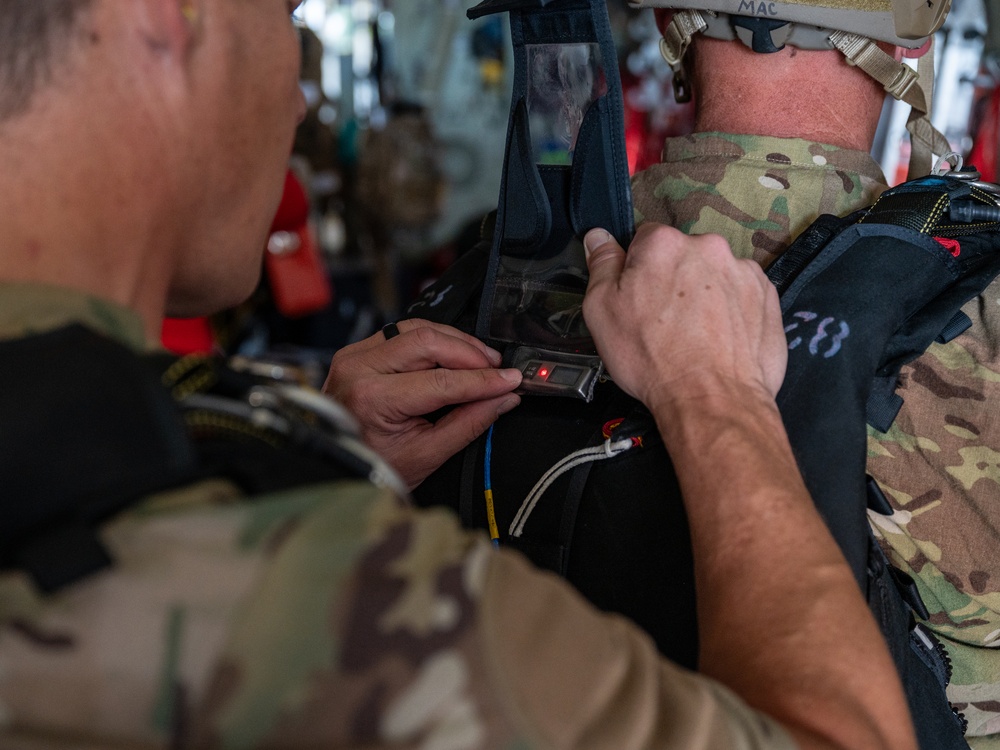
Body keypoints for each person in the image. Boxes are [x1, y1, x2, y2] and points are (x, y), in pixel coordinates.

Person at [0, 0, 917, 748]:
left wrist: (310, 466)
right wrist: (718, 401)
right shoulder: (309, 590)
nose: (297, 91)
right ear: (167, 16)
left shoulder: (176, 458)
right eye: (283, 10)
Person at [330, 0, 991, 748]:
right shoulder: (975, 305)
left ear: (667, 19)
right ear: (916, 33)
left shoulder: (484, 290)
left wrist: (324, 478)